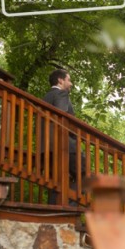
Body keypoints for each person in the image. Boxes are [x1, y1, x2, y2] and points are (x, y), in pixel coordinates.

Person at [41, 68, 84, 205]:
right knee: (86, 175)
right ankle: (69, 207)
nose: (70, 84)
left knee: (56, 182)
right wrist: (76, 135)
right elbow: (62, 118)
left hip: (47, 147)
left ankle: (53, 211)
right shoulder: (61, 94)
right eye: (68, 80)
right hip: (65, 146)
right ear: (60, 80)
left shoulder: (46, 97)